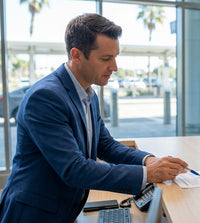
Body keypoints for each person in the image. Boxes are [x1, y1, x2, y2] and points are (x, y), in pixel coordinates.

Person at [0, 13, 188, 223]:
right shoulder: (46, 97)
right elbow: (74, 168)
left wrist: (149, 160)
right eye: (106, 59)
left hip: (62, 209)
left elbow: (105, 145)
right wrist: (147, 174)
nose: (114, 67)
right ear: (77, 54)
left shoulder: (88, 93)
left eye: (115, 57)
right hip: (33, 214)